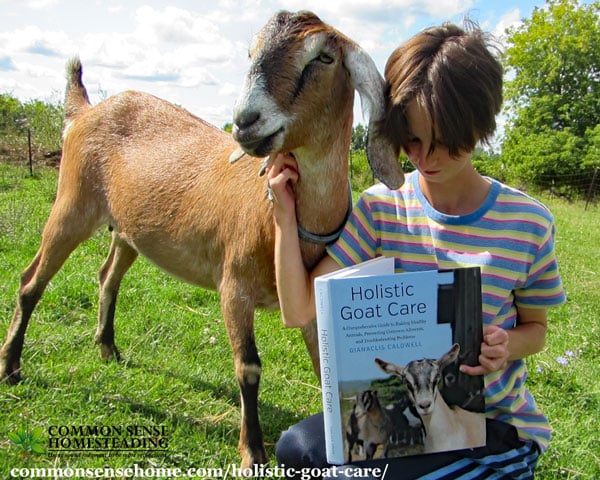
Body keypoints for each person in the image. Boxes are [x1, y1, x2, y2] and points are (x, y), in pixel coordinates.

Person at [266, 21, 566, 479]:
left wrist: (506, 347)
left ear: (481, 124)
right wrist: (286, 220)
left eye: (445, 142)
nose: (425, 159)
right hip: (411, 421)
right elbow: (298, 308)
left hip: (492, 427)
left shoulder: (528, 223)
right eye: (411, 140)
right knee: (294, 450)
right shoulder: (382, 209)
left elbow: (537, 330)